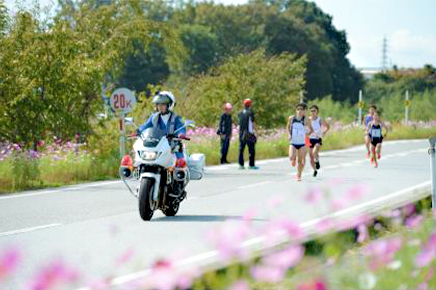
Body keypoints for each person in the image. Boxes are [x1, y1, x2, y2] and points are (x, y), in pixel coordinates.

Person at [286, 103, 314, 181]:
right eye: (298, 109)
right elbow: (288, 127)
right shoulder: (291, 118)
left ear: (304, 111)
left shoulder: (306, 120)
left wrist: (307, 134)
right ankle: (293, 158)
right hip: (293, 141)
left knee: (301, 160)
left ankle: (299, 175)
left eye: (302, 109)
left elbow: (311, 129)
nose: (300, 111)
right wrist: (289, 135)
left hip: (302, 142)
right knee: (291, 157)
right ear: (296, 110)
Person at [308, 105, 330, 177]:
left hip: (317, 138)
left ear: (317, 111)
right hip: (310, 139)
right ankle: (314, 170)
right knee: (311, 155)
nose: (313, 112)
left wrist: (324, 132)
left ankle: (317, 161)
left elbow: (327, 126)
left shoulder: (319, 119)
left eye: (314, 111)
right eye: (311, 111)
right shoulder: (308, 120)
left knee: (315, 151)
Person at [238, 98, 258, 170]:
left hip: (241, 132)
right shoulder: (250, 113)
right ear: (250, 105)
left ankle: (241, 164)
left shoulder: (240, 113)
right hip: (249, 133)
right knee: (251, 149)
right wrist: (256, 132)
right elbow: (253, 123)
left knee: (241, 149)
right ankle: (251, 165)